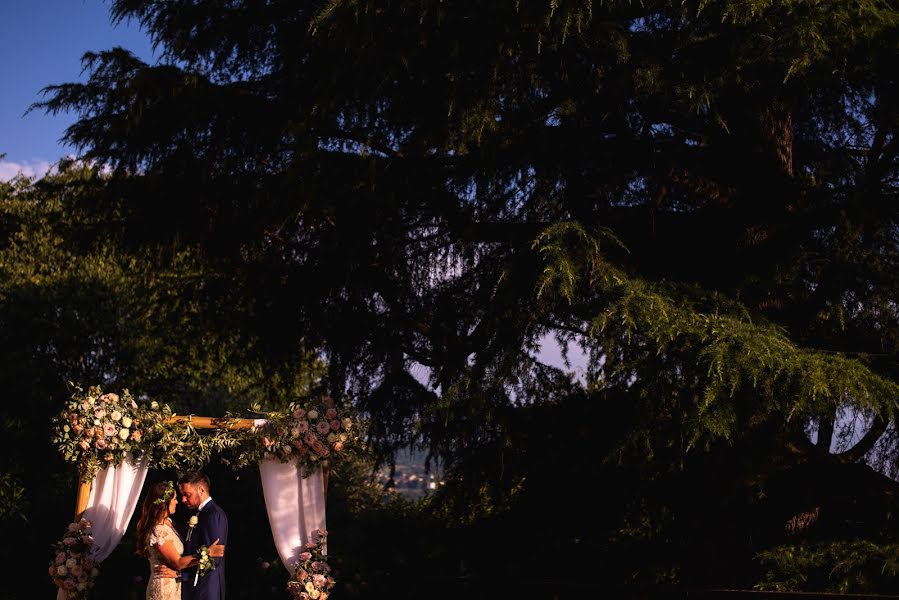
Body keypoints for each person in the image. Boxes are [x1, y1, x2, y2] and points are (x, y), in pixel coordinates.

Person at [136, 480, 225, 600]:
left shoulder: (170, 523)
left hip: (175, 584)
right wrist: (207, 553)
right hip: (164, 587)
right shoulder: (158, 530)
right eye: (174, 499)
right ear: (164, 503)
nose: (177, 502)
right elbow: (177, 562)